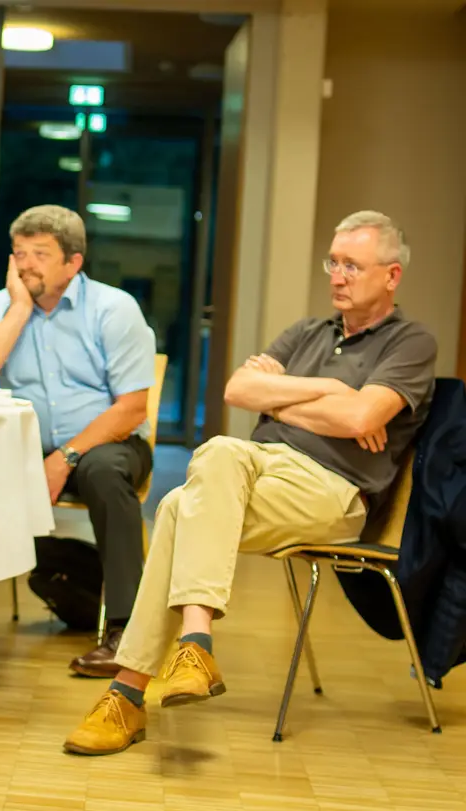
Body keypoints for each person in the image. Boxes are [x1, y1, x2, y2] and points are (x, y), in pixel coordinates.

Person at [63, 210, 437, 756]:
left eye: (353, 265)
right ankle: (187, 647)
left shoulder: (411, 343)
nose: (337, 275)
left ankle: (130, 693)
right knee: (201, 480)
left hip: (334, 491)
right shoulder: (308, 331)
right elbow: (239, 390)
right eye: (333, 262)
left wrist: (283, 393)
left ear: (392, 275)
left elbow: (361, 420)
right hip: (254, 471)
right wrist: (333, 396)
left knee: (182, 500)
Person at [0, 205, 157, 676]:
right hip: (26, 452)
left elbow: (130, 408)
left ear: (74, 262)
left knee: (104, 472)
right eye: (19, 254)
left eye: (40, 254)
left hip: (109, 443)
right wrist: (19, 310)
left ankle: (126, 633)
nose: (26, 265)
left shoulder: (113, 309)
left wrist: (65, 458)